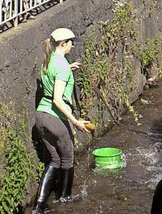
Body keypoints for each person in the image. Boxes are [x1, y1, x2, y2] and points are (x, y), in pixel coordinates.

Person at [33, 28, 92, 213]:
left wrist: (69, 67)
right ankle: (64, 197)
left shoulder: (50, 60)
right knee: (67, 159)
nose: (73, 45)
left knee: (55, 160)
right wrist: (75, 122)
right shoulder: (62, 66)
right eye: (71, 42)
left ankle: (39, 206)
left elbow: (54, 77)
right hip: (55, 118)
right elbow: (57, 99)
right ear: (62, 43)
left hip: (41, 117)